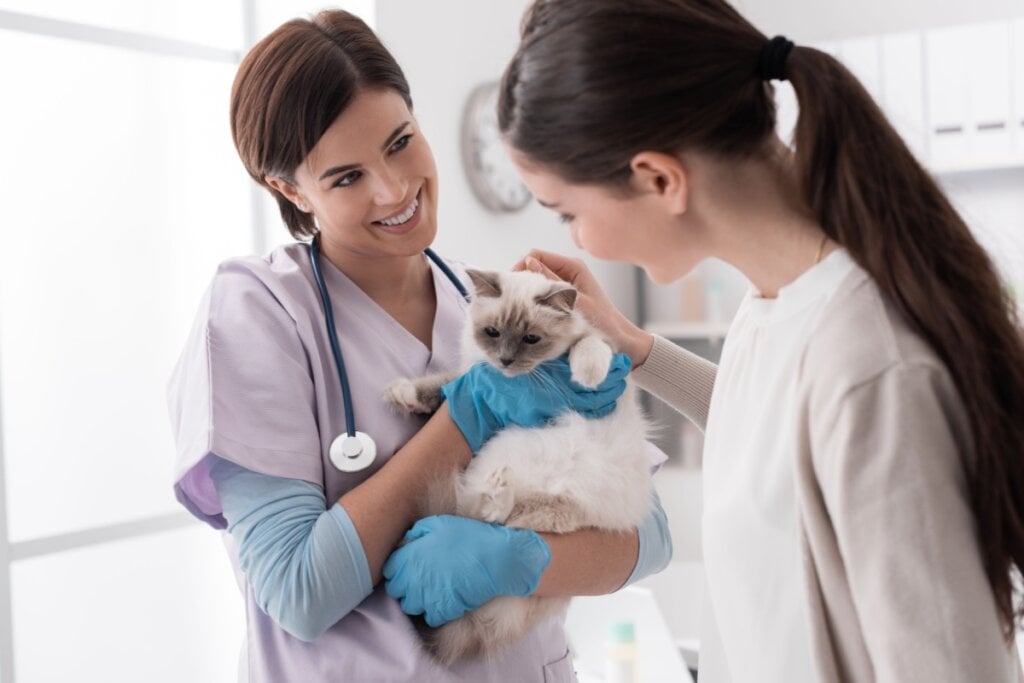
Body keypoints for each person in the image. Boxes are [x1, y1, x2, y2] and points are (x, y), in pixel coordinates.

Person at [464, 0, 1020, 681]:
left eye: (568, 212)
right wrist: (631, 344)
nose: (574, 239)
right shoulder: (778, 302)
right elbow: (767, 429)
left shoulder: (872, 364)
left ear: (658, 178)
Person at [166, 9, 672, 683]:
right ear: (289, 188)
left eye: (401, 141)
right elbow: (298, 591)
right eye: (347, 177)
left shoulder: (493, 304)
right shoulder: (260, 314)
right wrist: (468, 417)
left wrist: (522, 557)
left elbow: (650, 535)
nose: (395, 189)